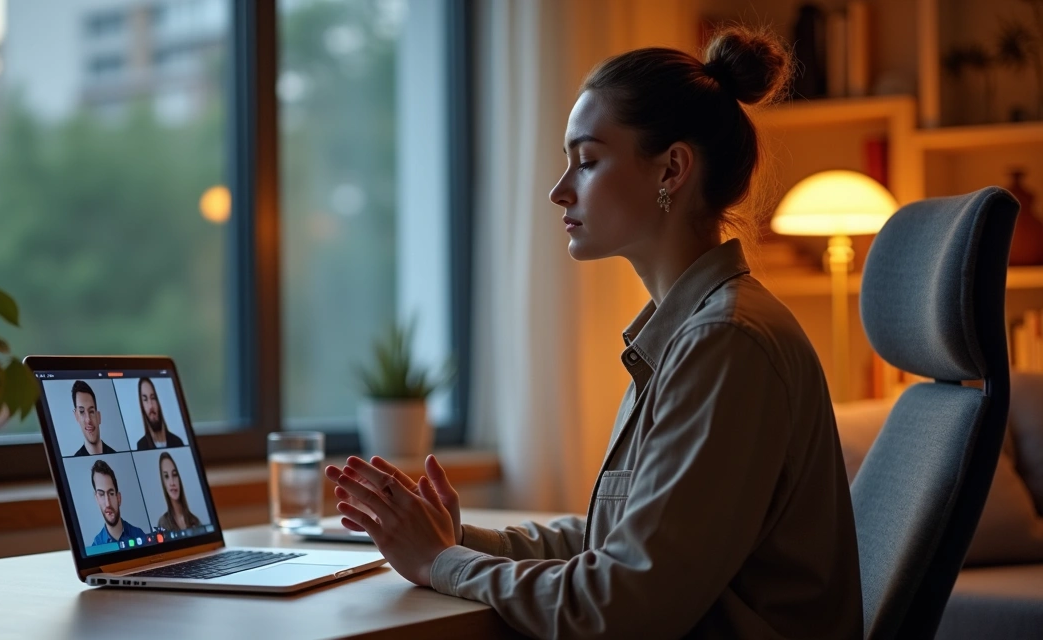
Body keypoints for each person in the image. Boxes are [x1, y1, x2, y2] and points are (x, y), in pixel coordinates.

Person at [324, 26, 863, 639]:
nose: (560, 191)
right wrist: (457, 540)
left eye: (586, 161)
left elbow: (622, 605)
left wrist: (442, 562)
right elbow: (620, 542)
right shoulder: (688, 335)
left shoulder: (726, 343)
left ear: (672, 169)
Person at [89, 459, 146, 547]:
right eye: (101, 494)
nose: (108, 503)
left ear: (118, 498)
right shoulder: (96, 546)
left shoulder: (139, 535)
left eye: (111, 494)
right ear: (97, 499)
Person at [155, 452, 201, 531]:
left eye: (174, 474)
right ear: (163, 483)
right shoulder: (163, 523)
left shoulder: (195, 521)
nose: (172, 482)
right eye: (166, 476)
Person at [134, 378, 184, 450]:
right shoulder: (141, 446)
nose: (151, 406)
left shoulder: (177, 442)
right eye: (145, 399)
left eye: (153, 398)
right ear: (142, 406)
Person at [72, 380, 116, 456]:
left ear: (99, 417)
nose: (88, 420)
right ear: (76, 416)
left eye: (91, 412)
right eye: (82, 412)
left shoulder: (113, 453)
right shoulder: (76, 457)